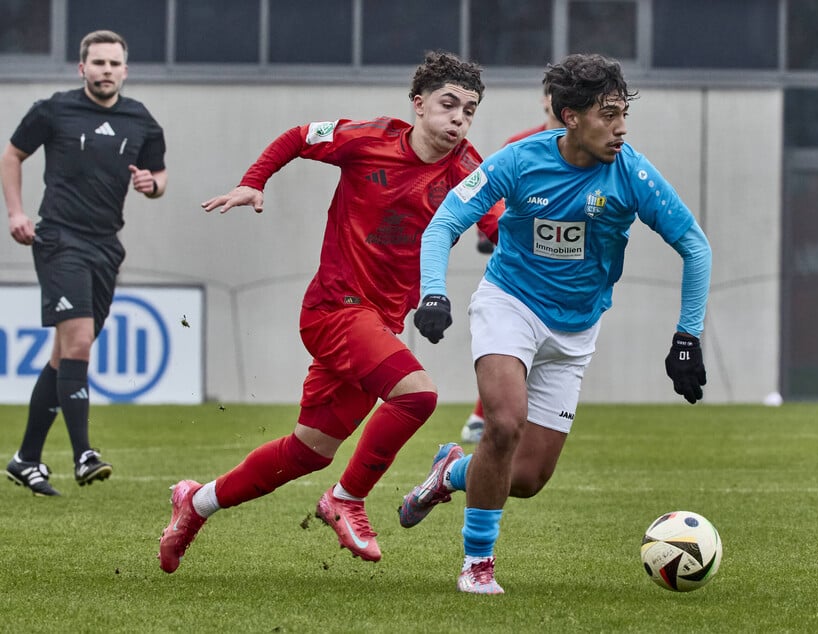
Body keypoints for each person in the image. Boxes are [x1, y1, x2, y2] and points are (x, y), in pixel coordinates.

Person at [158, 51, 502, 573]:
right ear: (418, 105)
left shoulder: (467, 168)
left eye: (469, 110)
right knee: (419, 396)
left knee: (307, 451)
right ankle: (345, 498)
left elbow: (499, 221)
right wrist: (255, 180)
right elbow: (299, 136)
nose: (458, 118)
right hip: (334, 309)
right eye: (448, 104)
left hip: (380, 326)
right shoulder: (369, 139)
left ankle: (196, 502)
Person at [402, 53, 712, 594]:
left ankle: (450, 472)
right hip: (510, 305)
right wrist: (433, 293)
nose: (620, 128)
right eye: (607, 114)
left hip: (574, 333)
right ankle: (478, 564)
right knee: (503, 423)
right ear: (570, 116)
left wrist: (687, 337)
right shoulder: (519, 160)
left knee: (525, 478)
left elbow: (695, 247)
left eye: (623, 115)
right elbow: (444, 221)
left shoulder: (633, 173)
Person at [2, 30, 167, 497]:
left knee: (64, 355)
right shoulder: (53, 109)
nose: (106, 70)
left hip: (105, 246)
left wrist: (151, 186)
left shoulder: (141, 120)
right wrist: (16, 212)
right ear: (82, 68)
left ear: (125, 70)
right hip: (58, 239)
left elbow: (159, 176)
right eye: (98, 63)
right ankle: (83, 454)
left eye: (114, 63)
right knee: (78, 341)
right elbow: (12, 155)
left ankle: (25, 459)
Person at [464, 88, 562, 444]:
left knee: (541, 346)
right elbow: (487, 192)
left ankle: (506, 417)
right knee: (507, 339)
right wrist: (491, 232)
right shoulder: (519, 145)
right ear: (545, 98)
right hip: (516, 262)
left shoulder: (590, 152)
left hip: (558, 273)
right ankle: (482, 416)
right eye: (554, 93)